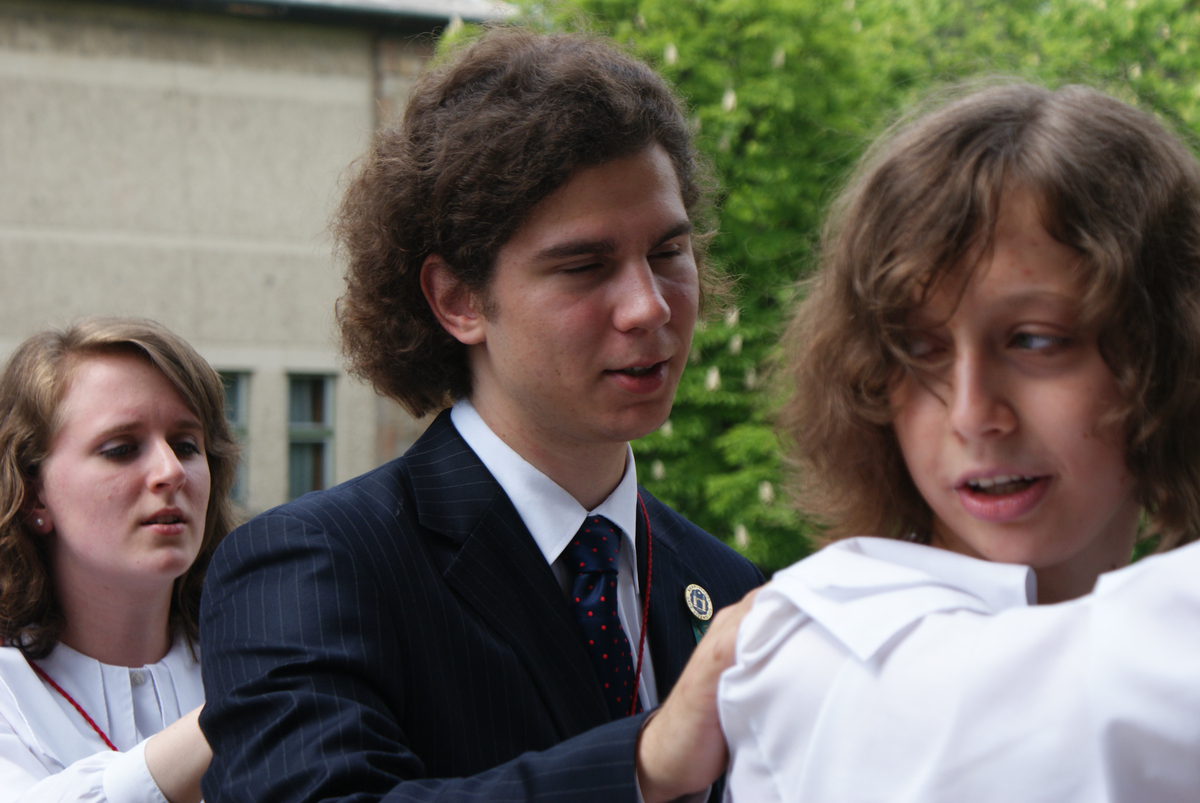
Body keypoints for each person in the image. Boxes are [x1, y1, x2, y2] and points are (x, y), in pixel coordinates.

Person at [198, 27, 763, 803]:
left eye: (668, 253)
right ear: (458, 299)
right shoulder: (314, 566)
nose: (649, 306)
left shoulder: (724, 582)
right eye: (585, 265)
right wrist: (643, 761)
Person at [718, 82, 1200, 802]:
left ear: (1168, 353)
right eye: (919, 350)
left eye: (1034, 340)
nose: (973, 414)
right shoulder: (829, 647)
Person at [0, 317, 240, 803]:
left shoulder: (254, 653)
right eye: (122, 449)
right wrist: (237, 715)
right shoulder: (10, 686)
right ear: (33, 494)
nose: (171, 471)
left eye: (186, 445)